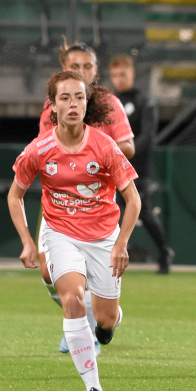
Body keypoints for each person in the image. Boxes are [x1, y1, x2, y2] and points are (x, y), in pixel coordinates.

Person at [8, 71, 140, 391]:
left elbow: (133, 199)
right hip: (60, 234)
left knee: (106, 318)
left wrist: (122, 243)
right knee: (73, 301)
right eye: (65, 98)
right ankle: (94, 389)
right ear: (52, 105)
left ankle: (110, 323)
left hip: (104, 237)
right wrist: (27, 240)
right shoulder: (39, 149)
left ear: (87, 102)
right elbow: (15, 195)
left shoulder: (104, 145)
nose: (73, 104)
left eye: (79, 97)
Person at [37, 41, 135, 356]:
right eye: (74, 66)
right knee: (48, 271)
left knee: (103, 306)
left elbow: (128, 146)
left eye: (87, 66)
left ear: (95, 69)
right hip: (58, 202)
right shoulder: (53, 105)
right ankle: (77, 315)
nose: (81, 72)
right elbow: (42, 148)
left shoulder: (108, 103)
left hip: (94, 202)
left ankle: (96, 322)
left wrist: (95, 148)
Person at [109, 55, 174, 275]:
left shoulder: (144, 102)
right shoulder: (109, 102)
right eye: (115, 75)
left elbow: (148, 135)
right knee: (110, 212)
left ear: (132, 74)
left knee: (144, 212)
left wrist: (124, 152)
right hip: (112, 169)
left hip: (138, 169)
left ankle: (164, 251)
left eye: (123, 74)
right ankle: (108, 256)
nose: (119, 79)